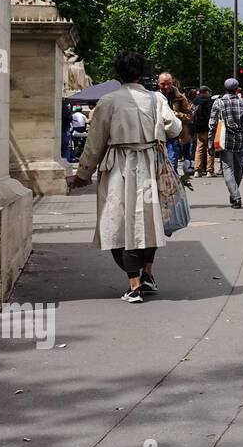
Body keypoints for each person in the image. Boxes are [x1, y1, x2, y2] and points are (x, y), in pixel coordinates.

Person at [67, 50, 183, 303]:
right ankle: (147, 274)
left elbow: (94, 142)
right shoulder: (156, 99)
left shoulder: (108, 101)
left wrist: (83, 174)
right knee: (149, 220)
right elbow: (174, 128)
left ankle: (134, 284)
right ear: (142, 72)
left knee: (118, 222)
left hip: (119, 166)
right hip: (150, 164)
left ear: (117, 73)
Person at [208, 77, 243, 209]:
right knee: (238, 167)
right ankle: (234, 193)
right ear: (237, 89)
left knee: (227, 167)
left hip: (225, 139)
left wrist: (210, 142)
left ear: (225, 89)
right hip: (240, 138)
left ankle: (235, 195)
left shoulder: (219, 103)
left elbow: (212, 124)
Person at [158, 72, 194, 175]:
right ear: (158, 83)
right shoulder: (153, 96)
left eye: (169, 83)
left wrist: (174, 115)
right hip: (157, 136)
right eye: (163, 84)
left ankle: (173, 188)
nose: (166, 86)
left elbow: (189, 117)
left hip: (172, 136)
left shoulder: (180, 97)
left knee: (172, 165)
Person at [192, 87, 215, 177]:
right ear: (206, 92)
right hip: (209, 128)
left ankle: (197, 170)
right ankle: (210, 170)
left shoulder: (195, 102)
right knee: (210, 148)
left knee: (199, 149)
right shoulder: (210, 102)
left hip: (198, 128)